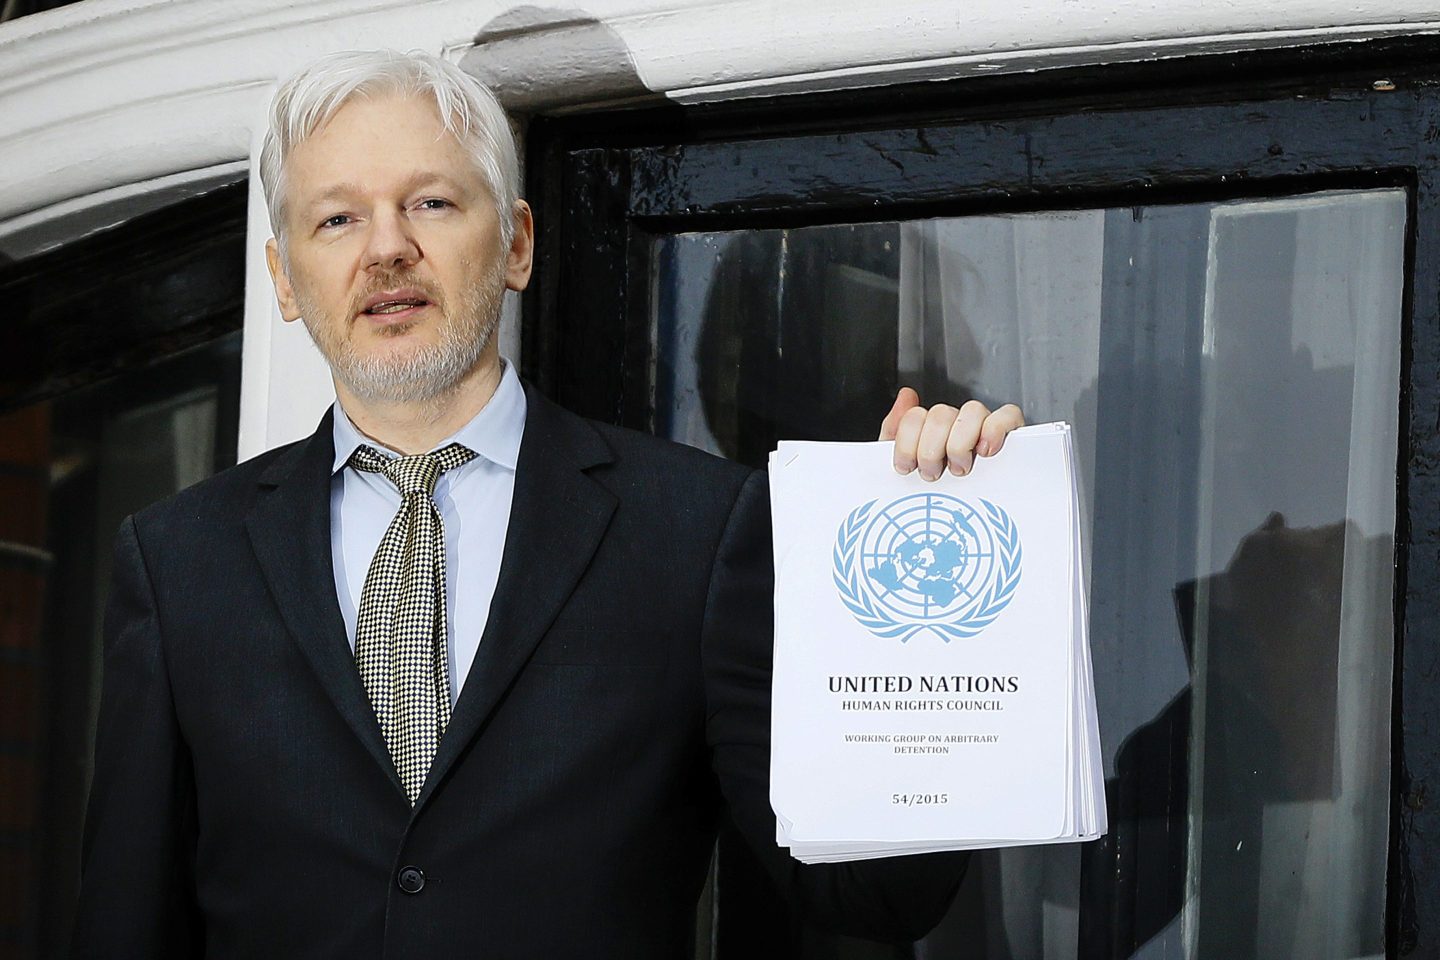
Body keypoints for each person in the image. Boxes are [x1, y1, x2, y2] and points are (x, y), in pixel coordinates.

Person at [71, 50, 1025, 958]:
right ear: (284, 280)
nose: (388, 248)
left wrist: (926, 570)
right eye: (337, 221)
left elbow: (869, 896)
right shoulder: (178, 560)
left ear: (517, 244)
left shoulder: (697, 532)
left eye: (431, 203)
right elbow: (127, 930)